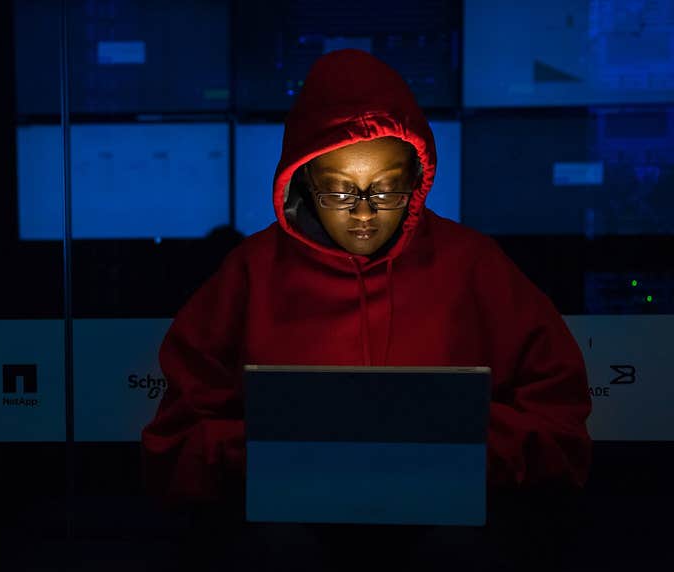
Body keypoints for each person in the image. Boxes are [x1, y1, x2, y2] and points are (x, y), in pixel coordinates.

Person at [141, 49, 592, 505]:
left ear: (417, 179)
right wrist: (271, 456)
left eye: (386, 187)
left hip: (446, 515)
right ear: (303, 182)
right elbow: (180, 433)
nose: (363, 211)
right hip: (291, 517)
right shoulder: (250, 273)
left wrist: (461, 452)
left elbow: (558, 418)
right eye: (338, 190)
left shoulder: (475, 265)